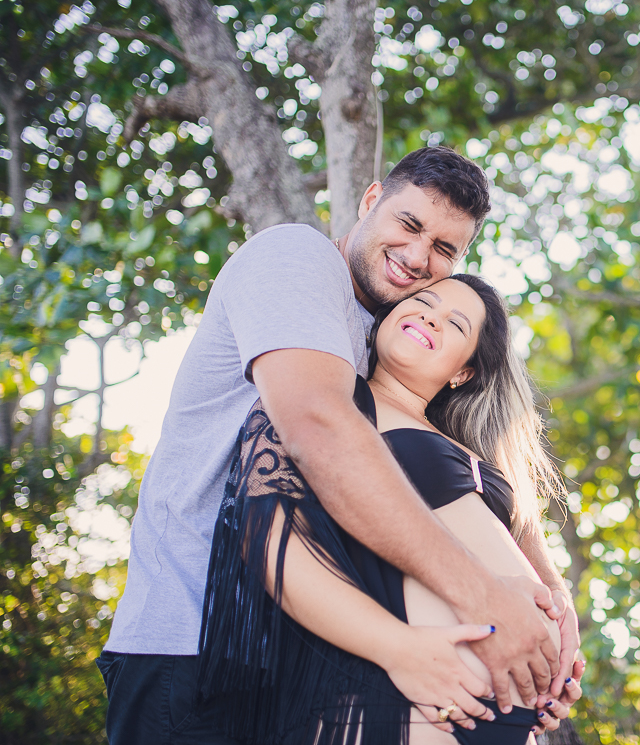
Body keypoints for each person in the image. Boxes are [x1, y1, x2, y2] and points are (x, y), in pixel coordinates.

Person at [98, 147, 581, 744]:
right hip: (192, 646)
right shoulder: (298, 259)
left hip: (304, 666)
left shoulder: (387, 346)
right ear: (371, 199)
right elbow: (318, 430)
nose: (417, 257)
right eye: (409, 225)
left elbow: (467, 471)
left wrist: (552, 609)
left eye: (444, 250)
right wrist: (489, 602)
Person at [198, 274, 580, 745]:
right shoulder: (332, 406)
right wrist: (399, 650)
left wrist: (556, 634)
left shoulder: (468, 445)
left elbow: (519, 541)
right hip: (401, 706)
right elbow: (266, 540)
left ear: (464, 372)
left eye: (454, 324)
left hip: (512, 720)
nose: (429, 317)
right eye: (423, 302)